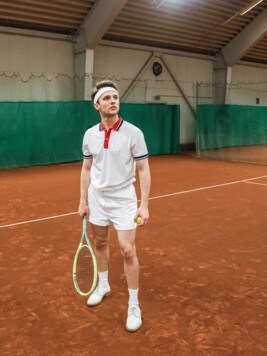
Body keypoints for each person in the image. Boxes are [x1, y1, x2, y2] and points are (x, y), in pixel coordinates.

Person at [78, 80, 151, 332]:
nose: (113, 101)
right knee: (99, 242)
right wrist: (83, 200)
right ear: (97, 104)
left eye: (115, 97)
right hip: (97, 197)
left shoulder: (134, 133)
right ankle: (104, 284)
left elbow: (143, 169)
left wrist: (144, 204)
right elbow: (86, 168)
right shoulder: (90, 134)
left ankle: (133, 304)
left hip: (123, 199)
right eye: (107, 98)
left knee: (127, 250)